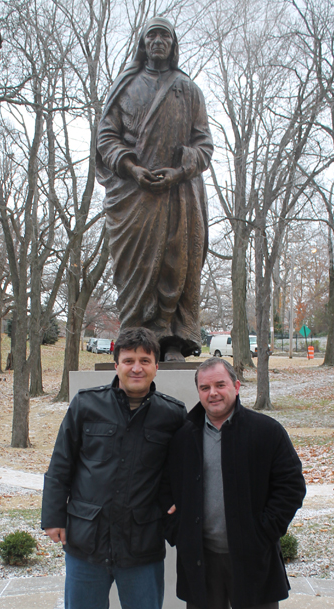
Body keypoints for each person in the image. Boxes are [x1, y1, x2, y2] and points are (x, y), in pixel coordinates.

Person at [41, 327, 186, 609]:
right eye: (129, 360)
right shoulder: (87, 406)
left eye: (145, 359)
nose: (136, 367)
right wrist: (54, 517)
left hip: (140, 543)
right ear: (116, 363)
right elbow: (61, 464)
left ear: (156, 365)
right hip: (86, 540)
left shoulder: (171, 415)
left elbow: (181, 474)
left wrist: (175, 510)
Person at [165, 357, 306, 609]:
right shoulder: (184, 435)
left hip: (253, 562)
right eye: (206, 387)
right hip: (200, 561)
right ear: (199, 391)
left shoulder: (264, 431)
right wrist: (175, 531)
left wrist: (263, 533)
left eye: (220, 385)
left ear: (237, 386)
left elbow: (290, 485)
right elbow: (162, 488)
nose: (213, 393)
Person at [96, 17, 213, 362]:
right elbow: (106, 136)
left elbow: (204, 144)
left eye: (165, 36)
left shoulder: (187, 89)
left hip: (179, 194)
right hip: (134, 196)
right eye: (152, 35)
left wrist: (180, 171)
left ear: (173, 44)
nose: (158, 41)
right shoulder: (125, 87)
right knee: (135, 266)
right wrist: (131, 168)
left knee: (175, 261)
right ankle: (136, 338)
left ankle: (172, 338)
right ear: (143, 43)